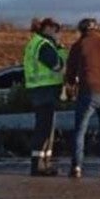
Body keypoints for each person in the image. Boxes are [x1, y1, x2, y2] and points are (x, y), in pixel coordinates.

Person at [64, 17, 100, 179]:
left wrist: (73, 81)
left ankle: (77, 167)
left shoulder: (78, 46)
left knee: (80, 131)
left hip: (87, 92)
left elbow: (70, 73)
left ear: (81, 30)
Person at [23, 16, 67, 177]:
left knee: (47, 128)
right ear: (48, 28)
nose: (59, 33)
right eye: (57, 30)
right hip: (45, 90)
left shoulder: (37, 42)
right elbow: (57, 65)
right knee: (44, 129)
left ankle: (44, 163)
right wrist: (61, 50)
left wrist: (59, 47)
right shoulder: (44, 45)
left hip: (40, 90)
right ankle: (38, 165)